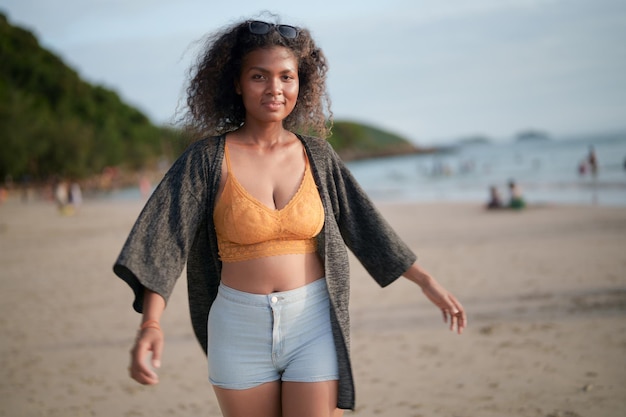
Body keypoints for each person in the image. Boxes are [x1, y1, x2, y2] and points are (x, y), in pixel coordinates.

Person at [113, 17, 466, 417]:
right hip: (237, 328)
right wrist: (151, 325)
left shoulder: (318, 156)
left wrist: (427, 282)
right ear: (237, 82)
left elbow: (366, 225)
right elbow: (164, 238)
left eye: (286, 77)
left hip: (312, 321)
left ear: (302, 83)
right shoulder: (206, 160)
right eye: (259, 76)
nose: (275, 89)